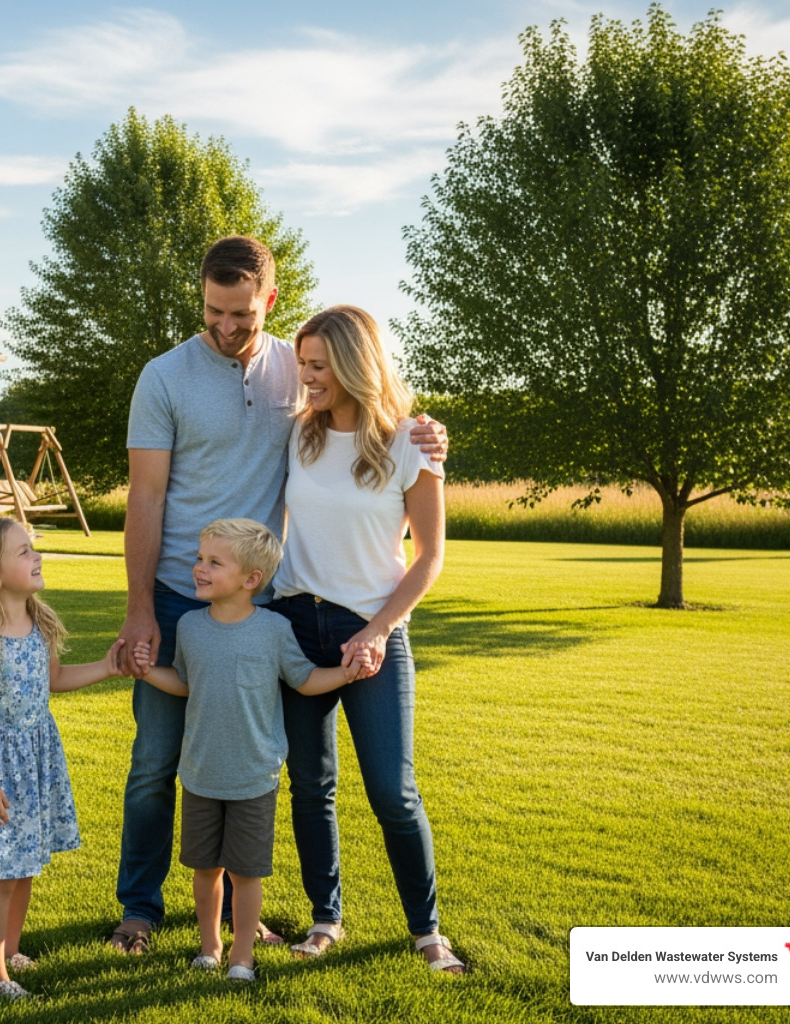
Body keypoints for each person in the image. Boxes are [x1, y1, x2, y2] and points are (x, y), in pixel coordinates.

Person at [110, 235, 448, 955]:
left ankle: (249, 914)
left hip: (269, 608)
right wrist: (140, 608)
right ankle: (141, 909)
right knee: (156, 764)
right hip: (183, 597)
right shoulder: (168, 378)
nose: (226, 327)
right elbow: (145, 496)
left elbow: (370, 407)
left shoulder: (298, 374)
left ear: (268, 299)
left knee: (253, 765)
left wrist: (424, 433)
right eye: (213, 311)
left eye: (242, 314)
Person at [270, 304, 464, 973]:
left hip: (372, 630)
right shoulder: (298, 435)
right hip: (296, 623)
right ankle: (325, 918)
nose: (307, 377)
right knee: (310, 785)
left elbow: (430, 558)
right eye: (303, 364)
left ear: (356, 364)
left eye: (319, 366)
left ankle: (427, 931)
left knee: (393, 792)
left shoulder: (413, 442)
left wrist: (379, 632)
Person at [132, 518, 368, 982]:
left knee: (245, 875)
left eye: (214, 562)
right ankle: (210, 948)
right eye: (200, 558)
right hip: (200, 773)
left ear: (250, 579)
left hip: (254, 778)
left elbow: (304, 680)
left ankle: (242, 956)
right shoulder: (189, 626)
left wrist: (346, 673)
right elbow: (184, 683)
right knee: (205, 870)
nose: (199, 568)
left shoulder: (274, 630)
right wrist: (147, 671)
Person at [0, 517, 126, 998]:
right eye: (23, 551)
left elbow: (53, 679)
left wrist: (107, 667)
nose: (36, 556)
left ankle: (11, 948)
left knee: (24, 867)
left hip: (36, 762)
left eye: (32, 547)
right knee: (3, 873)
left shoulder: (39, 622)